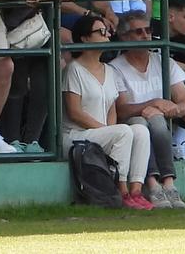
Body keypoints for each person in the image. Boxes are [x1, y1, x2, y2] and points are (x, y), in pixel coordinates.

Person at [64, 13, 157, 209]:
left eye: (107, 32)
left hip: (102, 133)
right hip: (76, 136)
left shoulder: (110, 70)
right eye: (101, 32)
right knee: (123, 131)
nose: (107, 36)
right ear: (85, 38)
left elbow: (111, 109)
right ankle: (121, 191)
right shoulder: (73, 69)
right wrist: (107, 131)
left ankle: (136, 191)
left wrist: (110, 130)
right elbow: (74, 112)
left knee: (140, 130)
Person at [109, 10, 185, 208]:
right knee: (142, 123)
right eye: (138, 32)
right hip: (132, 123)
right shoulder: (114, 67)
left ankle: (167, 184)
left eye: (148, 30)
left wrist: (169, 108)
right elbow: (122, 110)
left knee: (155, 120)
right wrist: (153, 103)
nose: (145, 35)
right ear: (124, 37)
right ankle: (155, 184)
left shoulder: (163, 61)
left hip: (159, 122)